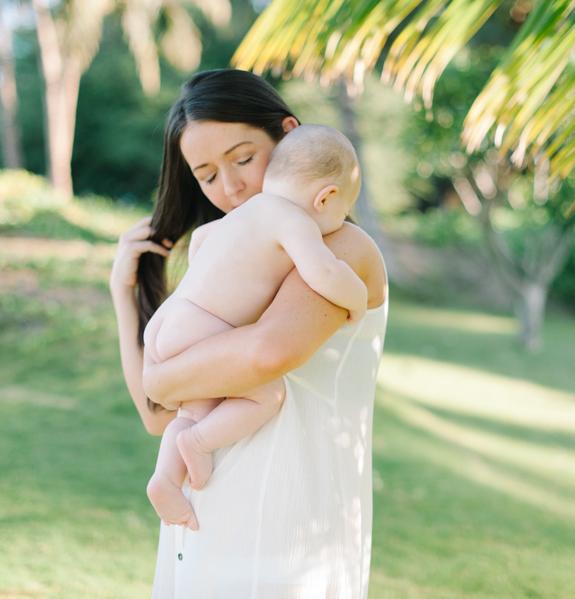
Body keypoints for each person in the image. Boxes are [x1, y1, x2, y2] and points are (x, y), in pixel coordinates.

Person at [109, 69, 388, 598]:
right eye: (207, 175)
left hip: (291, 526)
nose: (231, 187)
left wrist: (162, 378)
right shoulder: (229, 261)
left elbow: (267, 354)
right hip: (206, 511)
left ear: (287, 136)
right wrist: (124, 297)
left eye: (242, 159)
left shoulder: (342, 246)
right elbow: (156, 414)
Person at [144, 124, 368, 532]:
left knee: (195, 407)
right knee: (268, 394)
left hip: (172, 321)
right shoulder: (293, 220)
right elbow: (324, 271)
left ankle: (164, 479)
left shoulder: (244, 214)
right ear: (326, 198)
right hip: (202, 327)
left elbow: (200, 240)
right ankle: (197, 443)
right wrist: (356, 301)